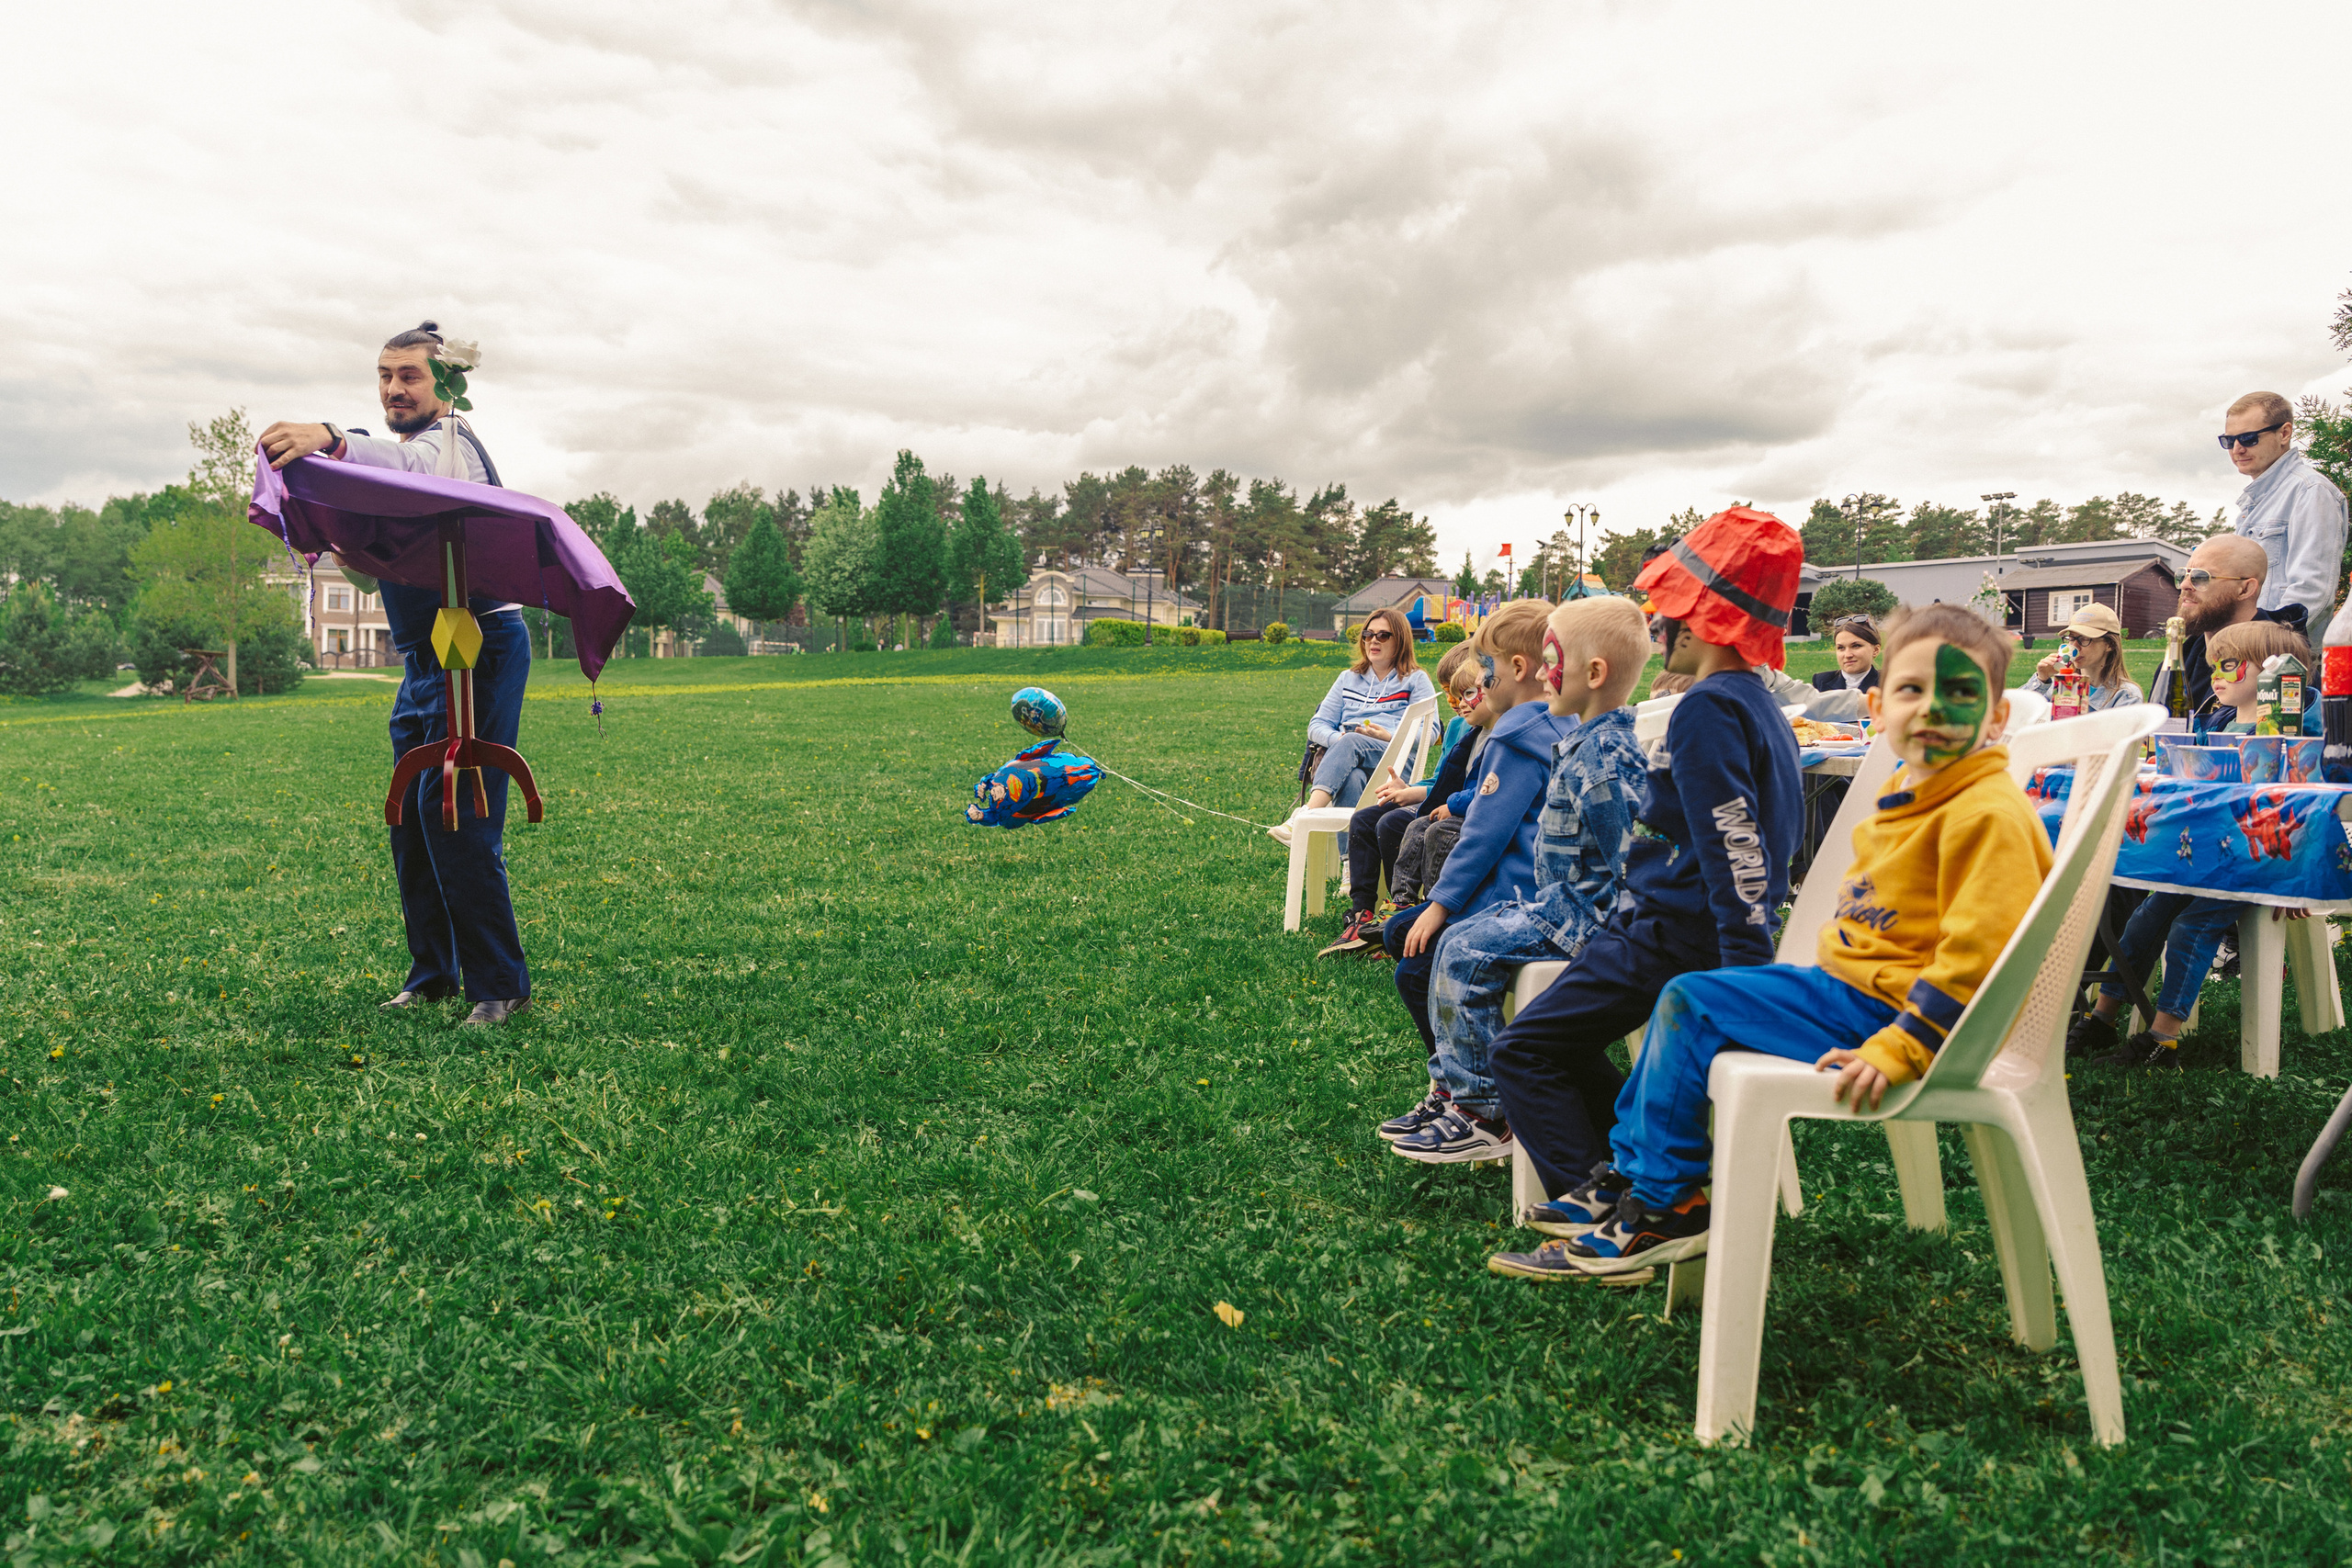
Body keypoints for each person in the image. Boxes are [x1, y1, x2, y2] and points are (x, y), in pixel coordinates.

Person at [1493, 604, 2050, 1277]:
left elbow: (1983, 950)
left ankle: (1668, 1202)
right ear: (1877, 705)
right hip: (1848, 991)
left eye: (1962, 693)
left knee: (1692, 1003)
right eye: (1912, 690)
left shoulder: (1986, 811)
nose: (1933, 708)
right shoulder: (1916, 788)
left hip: (1896, 1017)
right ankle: (1632, 1175)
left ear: (1996, 718)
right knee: (1688, 997)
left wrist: (1907, 1042)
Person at [1484, 508, 1807, 1204]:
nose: (1659, 628)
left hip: (1669, 935)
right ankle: (1621, 1172)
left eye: (1670, 611)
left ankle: (1608, 1199)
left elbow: (1736, 850)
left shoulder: (1707, 710)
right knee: (1555, 1043)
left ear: (1703, 621)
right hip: (1673, 928)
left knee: (1521, 1049)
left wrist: (1746, 974)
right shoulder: (1755, 704)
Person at [256, 321, 534, 1025]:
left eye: (408, 375)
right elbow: (377, 570)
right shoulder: (410, 456)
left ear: (444, 383)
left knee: (456, 811)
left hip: (478, 648)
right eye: (384, 374)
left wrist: (332, 436)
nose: (393, 387)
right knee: (413, 819)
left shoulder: (453, 449)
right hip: (423, 657)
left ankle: (499, 986)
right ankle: (434, 974)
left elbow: (402, 469)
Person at [1385, 596, 1650, 1163]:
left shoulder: (1574, 746)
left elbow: (1627, 848)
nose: (1482, 684)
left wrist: (1634, 925)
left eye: (1490, 672)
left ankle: (1478, 1107)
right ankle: (1461, 1094)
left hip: (1577, 916)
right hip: (1552, 904)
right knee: (1432, 946)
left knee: (1446, 952)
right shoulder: (1575, 736)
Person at [2068, 619, 2317, 1072]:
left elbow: (2313, 801)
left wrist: (2300, 876)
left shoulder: (2296, 722)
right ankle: (2102, 1018)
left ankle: (2163, 1039)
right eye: (2213, 666)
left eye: (2229, 666)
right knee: (2145, 918)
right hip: (2209, 857)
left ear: (2274, 672)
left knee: (2191, 928)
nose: (2217, 676)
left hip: (2260, 861)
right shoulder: (2217, 720)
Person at [1376, 600, 1571, 1142]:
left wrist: (1441, 906)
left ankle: (1473, 1097)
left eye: (1485, 673)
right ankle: (1458, 1081)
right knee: (1400, 935)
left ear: (1517, 668)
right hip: (1521, 892)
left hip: (1516, 899)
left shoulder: (1515, 738)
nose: (1479, 685)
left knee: (1414, 964)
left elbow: (1484, 837)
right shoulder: (1552, 722)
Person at [1322, 642, 1483, 954]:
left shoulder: (1482, 727)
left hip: (1449, 810)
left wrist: (1413, 795)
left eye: (1459, 692)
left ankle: (1399, 910)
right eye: (1448, 692)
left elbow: (1458, 786)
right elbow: (1440, 778)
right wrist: (1406, 788)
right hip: (1434, 800)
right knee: (1366, 817)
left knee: (1394, 823)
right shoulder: (1457, 725)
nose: (1452, 701)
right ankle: (1362, 915)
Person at [1270, 605, 1436, 841]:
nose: (1372, 641)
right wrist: (1339, 741)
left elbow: (1430, 732)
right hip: (1348, 758)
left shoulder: (1415, 679)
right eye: (1368, 635)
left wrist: (1389, 736)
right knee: (1353, 777)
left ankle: (1304, 816)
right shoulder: (1348, 678)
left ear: (1400, 641)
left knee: (1352, 742)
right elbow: (1317, 725)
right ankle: (1350, 870)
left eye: (1383, 635)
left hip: (1394, 765)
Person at [2224, 391, 2348, 645]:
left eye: (2248, 437)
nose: (2238, 448)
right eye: (2229, 440)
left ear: (2284, 433)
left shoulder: (2311, 492)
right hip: (2250, 656)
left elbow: (2311, 591)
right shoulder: (2256, 501)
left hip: (2285, 661)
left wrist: (2263, 646)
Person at [2177, 533, 2301, 724]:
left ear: (2245, 589)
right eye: (2183, 575)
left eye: (2201, 577)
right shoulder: (2180, 659)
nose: (2185, 585)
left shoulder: (2280, 660)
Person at [2022, 603, 2143, 712]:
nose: (2075, 646)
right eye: (2071, 638)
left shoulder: (2126, 695)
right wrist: (2042, 679)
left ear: (2110, 644)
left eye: (2084, 639)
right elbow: (2015, 715)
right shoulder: (2057, 685)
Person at [1813, 616, 1881, 694]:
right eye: (1841, 647)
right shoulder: (1821, 682)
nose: (1847, 655)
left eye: (1856, 646)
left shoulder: (1886, 683)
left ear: (1875, 650)